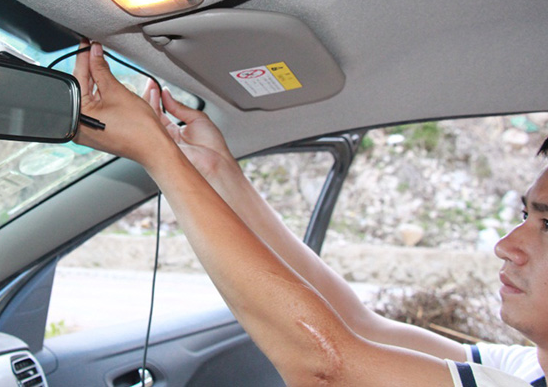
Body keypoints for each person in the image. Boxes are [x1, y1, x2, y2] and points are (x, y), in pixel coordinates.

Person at [72, 40, 547, 387]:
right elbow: (359, 326)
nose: (506, 245)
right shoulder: (525, 369)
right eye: (523, 215)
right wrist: (219, 174)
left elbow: (327, 367)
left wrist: (158, 155)